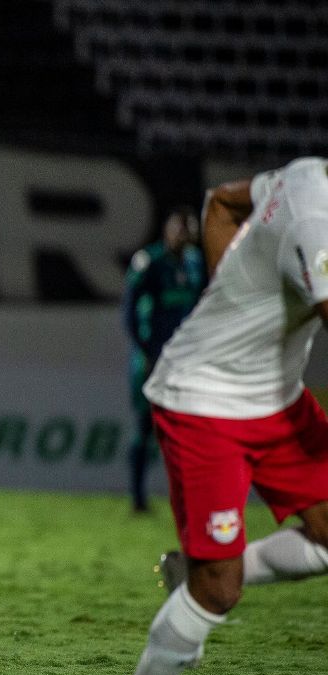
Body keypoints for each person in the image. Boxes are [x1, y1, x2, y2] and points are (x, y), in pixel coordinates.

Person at [108, 157, 328, 675]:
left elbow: (222, 203)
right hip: (203, 399)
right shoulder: (316, 222)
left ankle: (193, 572)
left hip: (277, 400)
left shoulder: (306, 172)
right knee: (220, 590)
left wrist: (227, 286)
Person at [120, 206, 206, 513]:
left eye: (191, 229)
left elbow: (199, 309)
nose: (186, 235)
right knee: (146, 426)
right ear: (168, 230)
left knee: (189, 430)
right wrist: (145, 349)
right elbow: (129, 310)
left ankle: (189, 499)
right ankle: (138, 498)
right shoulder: (150, 262)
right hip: (153, 358)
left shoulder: (196, 263)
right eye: (181, 228)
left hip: (185, 359)